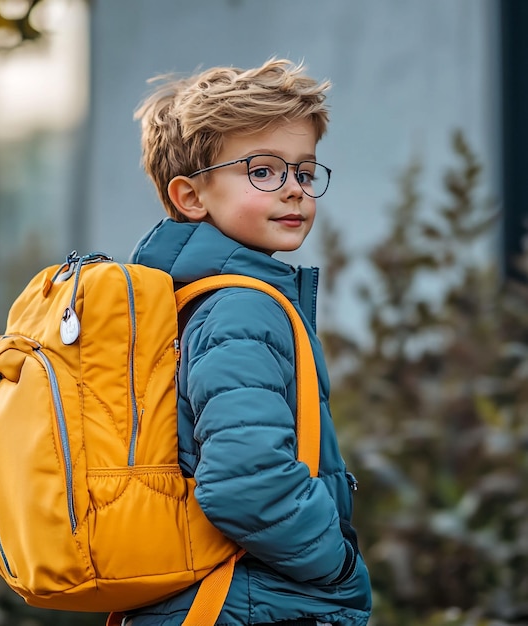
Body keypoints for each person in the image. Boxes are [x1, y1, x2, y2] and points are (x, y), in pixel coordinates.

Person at [127, 58, 372, 626]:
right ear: (191, 197)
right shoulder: (242, 307)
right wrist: (337, 565)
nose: (293, 191)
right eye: (263, 171)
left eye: (304, 173)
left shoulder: (186, 301)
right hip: (252, 603)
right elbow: (246, 483)